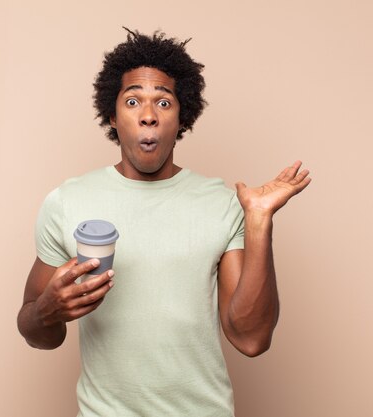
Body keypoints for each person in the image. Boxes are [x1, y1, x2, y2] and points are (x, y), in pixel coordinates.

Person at [17, 28, 311, 417]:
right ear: (112, 115)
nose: (149, 116)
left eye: (164, 102)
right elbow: (36, 332)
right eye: (133, 100)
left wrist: (258, 222)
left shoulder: (221, 204)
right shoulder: (67, 202)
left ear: (182, 116)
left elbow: (251, 338)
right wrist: (47, 310)